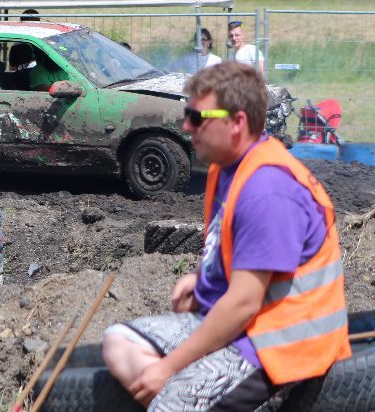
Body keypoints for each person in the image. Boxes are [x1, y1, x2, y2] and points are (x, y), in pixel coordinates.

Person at [101, 61, 350, 410]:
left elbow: (244, 303)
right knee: (120, 342)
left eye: (199, 118)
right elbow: (241, 251)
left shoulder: (268, 190)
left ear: (237, 123)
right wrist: (201, 277)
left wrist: (169, 368)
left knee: (170, 403)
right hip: (244, 324)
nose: (187, 126)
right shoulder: (227, 167)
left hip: (279, 345)